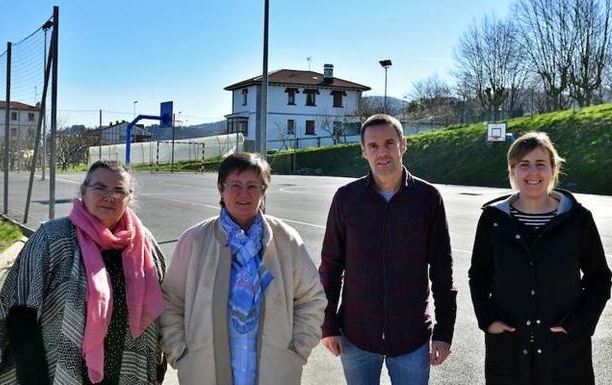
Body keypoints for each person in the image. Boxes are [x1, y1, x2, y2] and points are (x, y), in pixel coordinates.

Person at [0, 160, 166, 385]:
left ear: (129, 198)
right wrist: (32, 378)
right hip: (56, 374)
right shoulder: (51, 238)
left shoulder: (146, 245)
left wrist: (157, 369)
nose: (109, 196)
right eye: (100, 187)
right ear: (83, 191)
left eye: (119, 190)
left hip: (128, 371)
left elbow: (161, 314)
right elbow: (20, 313)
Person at [160, 152, 326, 385]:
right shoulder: (195, 240)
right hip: (205, 374)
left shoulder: (286, 240)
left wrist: (295, 351)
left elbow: (312, 299)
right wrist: (182, 354)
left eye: (252, 186)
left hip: (275, 374)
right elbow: (170, 302)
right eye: (235, 185)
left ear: (264, 191)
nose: (243, 194)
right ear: (221, 188)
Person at [319, 114, 457, 385]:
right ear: (363, 151)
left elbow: (443, 269)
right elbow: (330, 266)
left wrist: (444, 331)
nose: (382, 152)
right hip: (356, 336)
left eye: (389, 143)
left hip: (412, 337)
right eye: (373, 146)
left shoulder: (427, 198)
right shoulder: (347, 198)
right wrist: (328, 325)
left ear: (403, 145)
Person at [469, 132, 611, 385]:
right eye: (524, 164)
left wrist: (577, 324)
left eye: (540, 164)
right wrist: (488, 319)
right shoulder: (493, 220)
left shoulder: (578, 219)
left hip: (564, 353)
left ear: (554, 168)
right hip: (509, 352)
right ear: (513, 171)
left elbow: (599, 278)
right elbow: (479, 275)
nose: (532, 172)